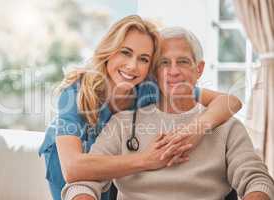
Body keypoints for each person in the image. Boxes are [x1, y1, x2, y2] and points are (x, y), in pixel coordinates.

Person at [39, 15, 242, 200]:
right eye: (125, 53)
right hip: (69, 163)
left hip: (116, 162)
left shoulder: (150, 87)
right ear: (109, 51)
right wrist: (148, 160)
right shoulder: (76, 93)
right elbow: (73, 168)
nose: (132, 66)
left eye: (143, 59)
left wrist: (194, 131)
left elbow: (231, 102)